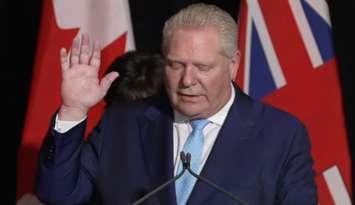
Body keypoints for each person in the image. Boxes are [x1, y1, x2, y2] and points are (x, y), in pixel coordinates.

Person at [35, 3, 317, 205]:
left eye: (203, 67)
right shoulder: (123, 123)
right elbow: (57, 196)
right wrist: (73, 110)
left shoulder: (281, 135)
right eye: (176, 65)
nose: (187, 80)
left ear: (233, 65)